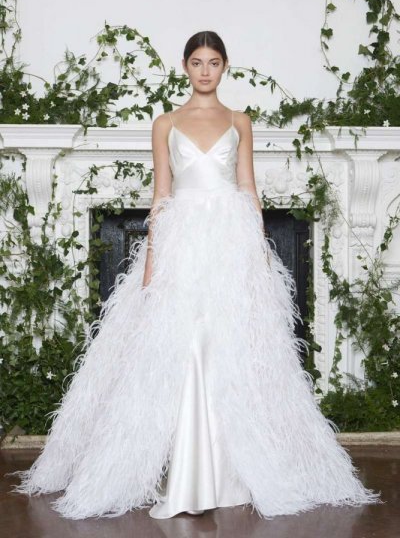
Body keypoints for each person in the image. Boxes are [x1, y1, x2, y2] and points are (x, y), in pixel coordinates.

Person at [7, 30, 382, 520]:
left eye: (214, 62)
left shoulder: (239, 121)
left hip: (229, 241)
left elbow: (248, 188)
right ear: (185, 66)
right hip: (182, 241)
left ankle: (230, 471)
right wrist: (151, 263)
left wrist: (260, 256)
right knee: (181, 347)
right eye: (198, 62)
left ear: (225, 67)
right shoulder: (165, 123)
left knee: (228, 347)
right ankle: (184, 470)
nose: (206, 71)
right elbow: (161, 195)